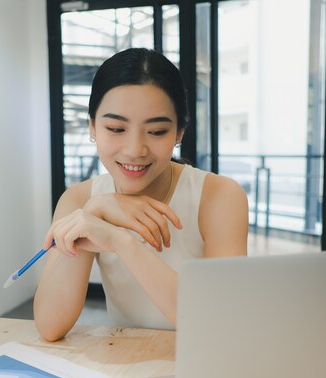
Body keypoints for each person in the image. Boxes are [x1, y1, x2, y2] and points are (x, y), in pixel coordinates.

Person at [34, 48, 248, 342]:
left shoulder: (219, 196)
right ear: (92, 127)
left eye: (157, 131)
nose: (135, 149)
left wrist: (121, 241)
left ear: (179, 133)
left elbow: (221, 326)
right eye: (116, 128)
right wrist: (95, 211)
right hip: (127, 367)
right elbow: (49, 325)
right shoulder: (79, 200)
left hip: (202, 367)